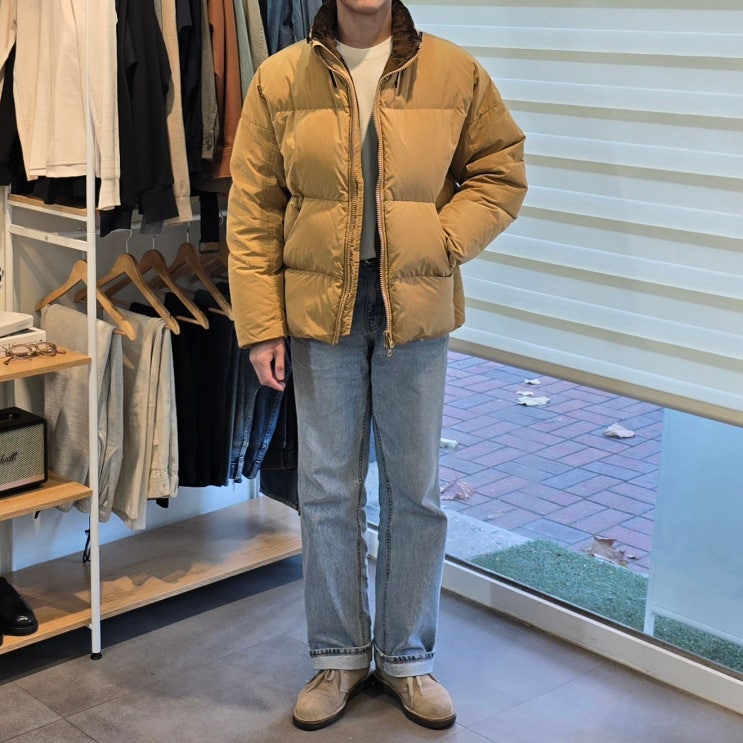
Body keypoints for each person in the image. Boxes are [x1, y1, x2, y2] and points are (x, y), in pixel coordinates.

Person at [227, 0, 527, 731]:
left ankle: (406, 657)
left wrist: (440, 241)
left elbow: (500, 170)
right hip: (317, 306)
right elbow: (254, 207)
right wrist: (261, 326)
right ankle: (338, 654)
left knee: (414, 489)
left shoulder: (453, 70)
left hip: (412, 305)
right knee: (327, 487)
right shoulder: (280, 77)